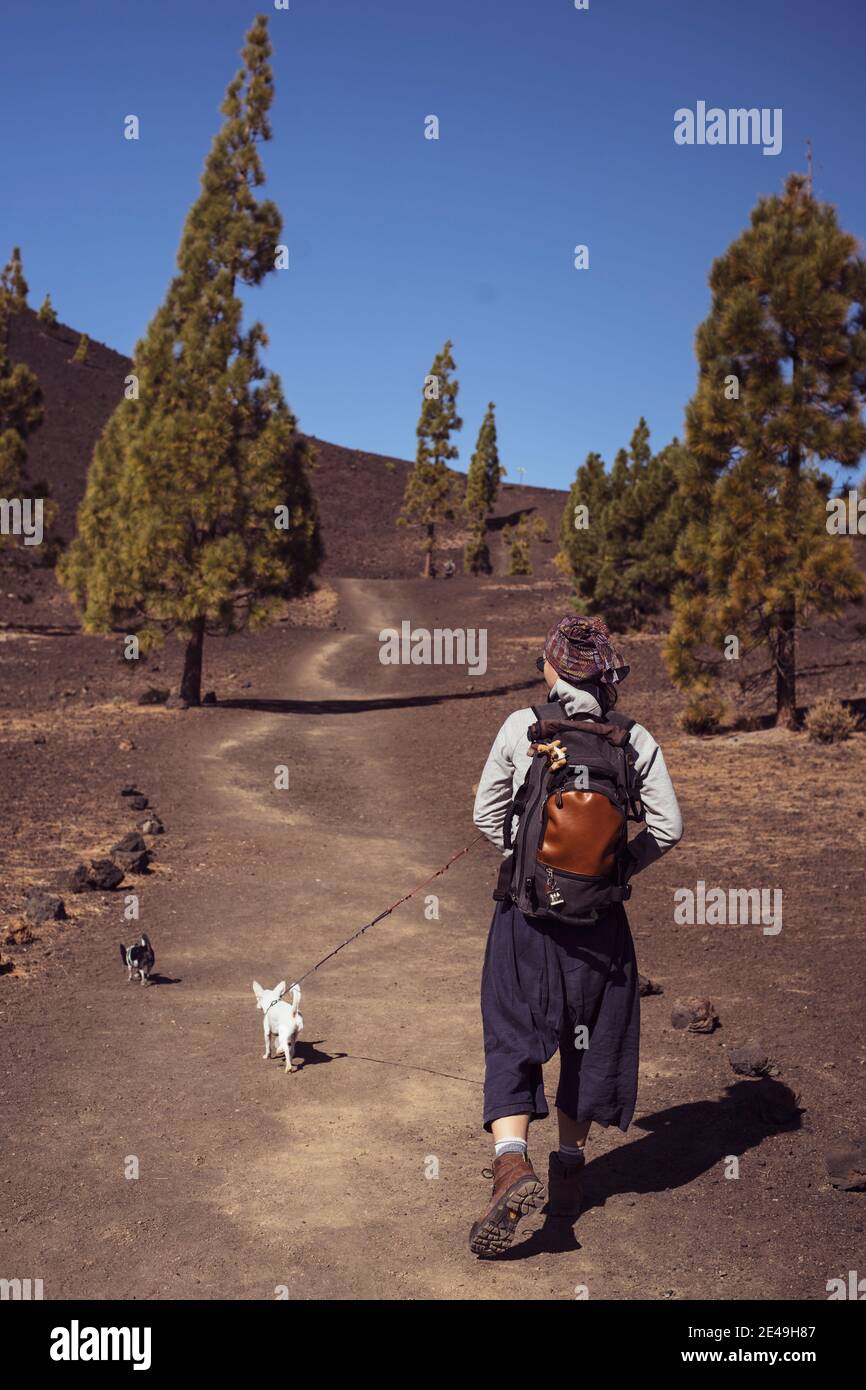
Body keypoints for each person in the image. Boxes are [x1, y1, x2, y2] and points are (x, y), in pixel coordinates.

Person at [468, 614, 683, 1256]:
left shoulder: (523, 726)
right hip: (601, 924)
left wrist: (533, 858)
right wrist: (615, 869)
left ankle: (511, 1162)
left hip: (526, 916)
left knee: (513, 1028)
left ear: (551, 667)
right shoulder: (633, 739)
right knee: (589, 1041)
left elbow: (485, 815)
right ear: (607, 675)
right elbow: (667, 828)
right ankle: (567, 1169)